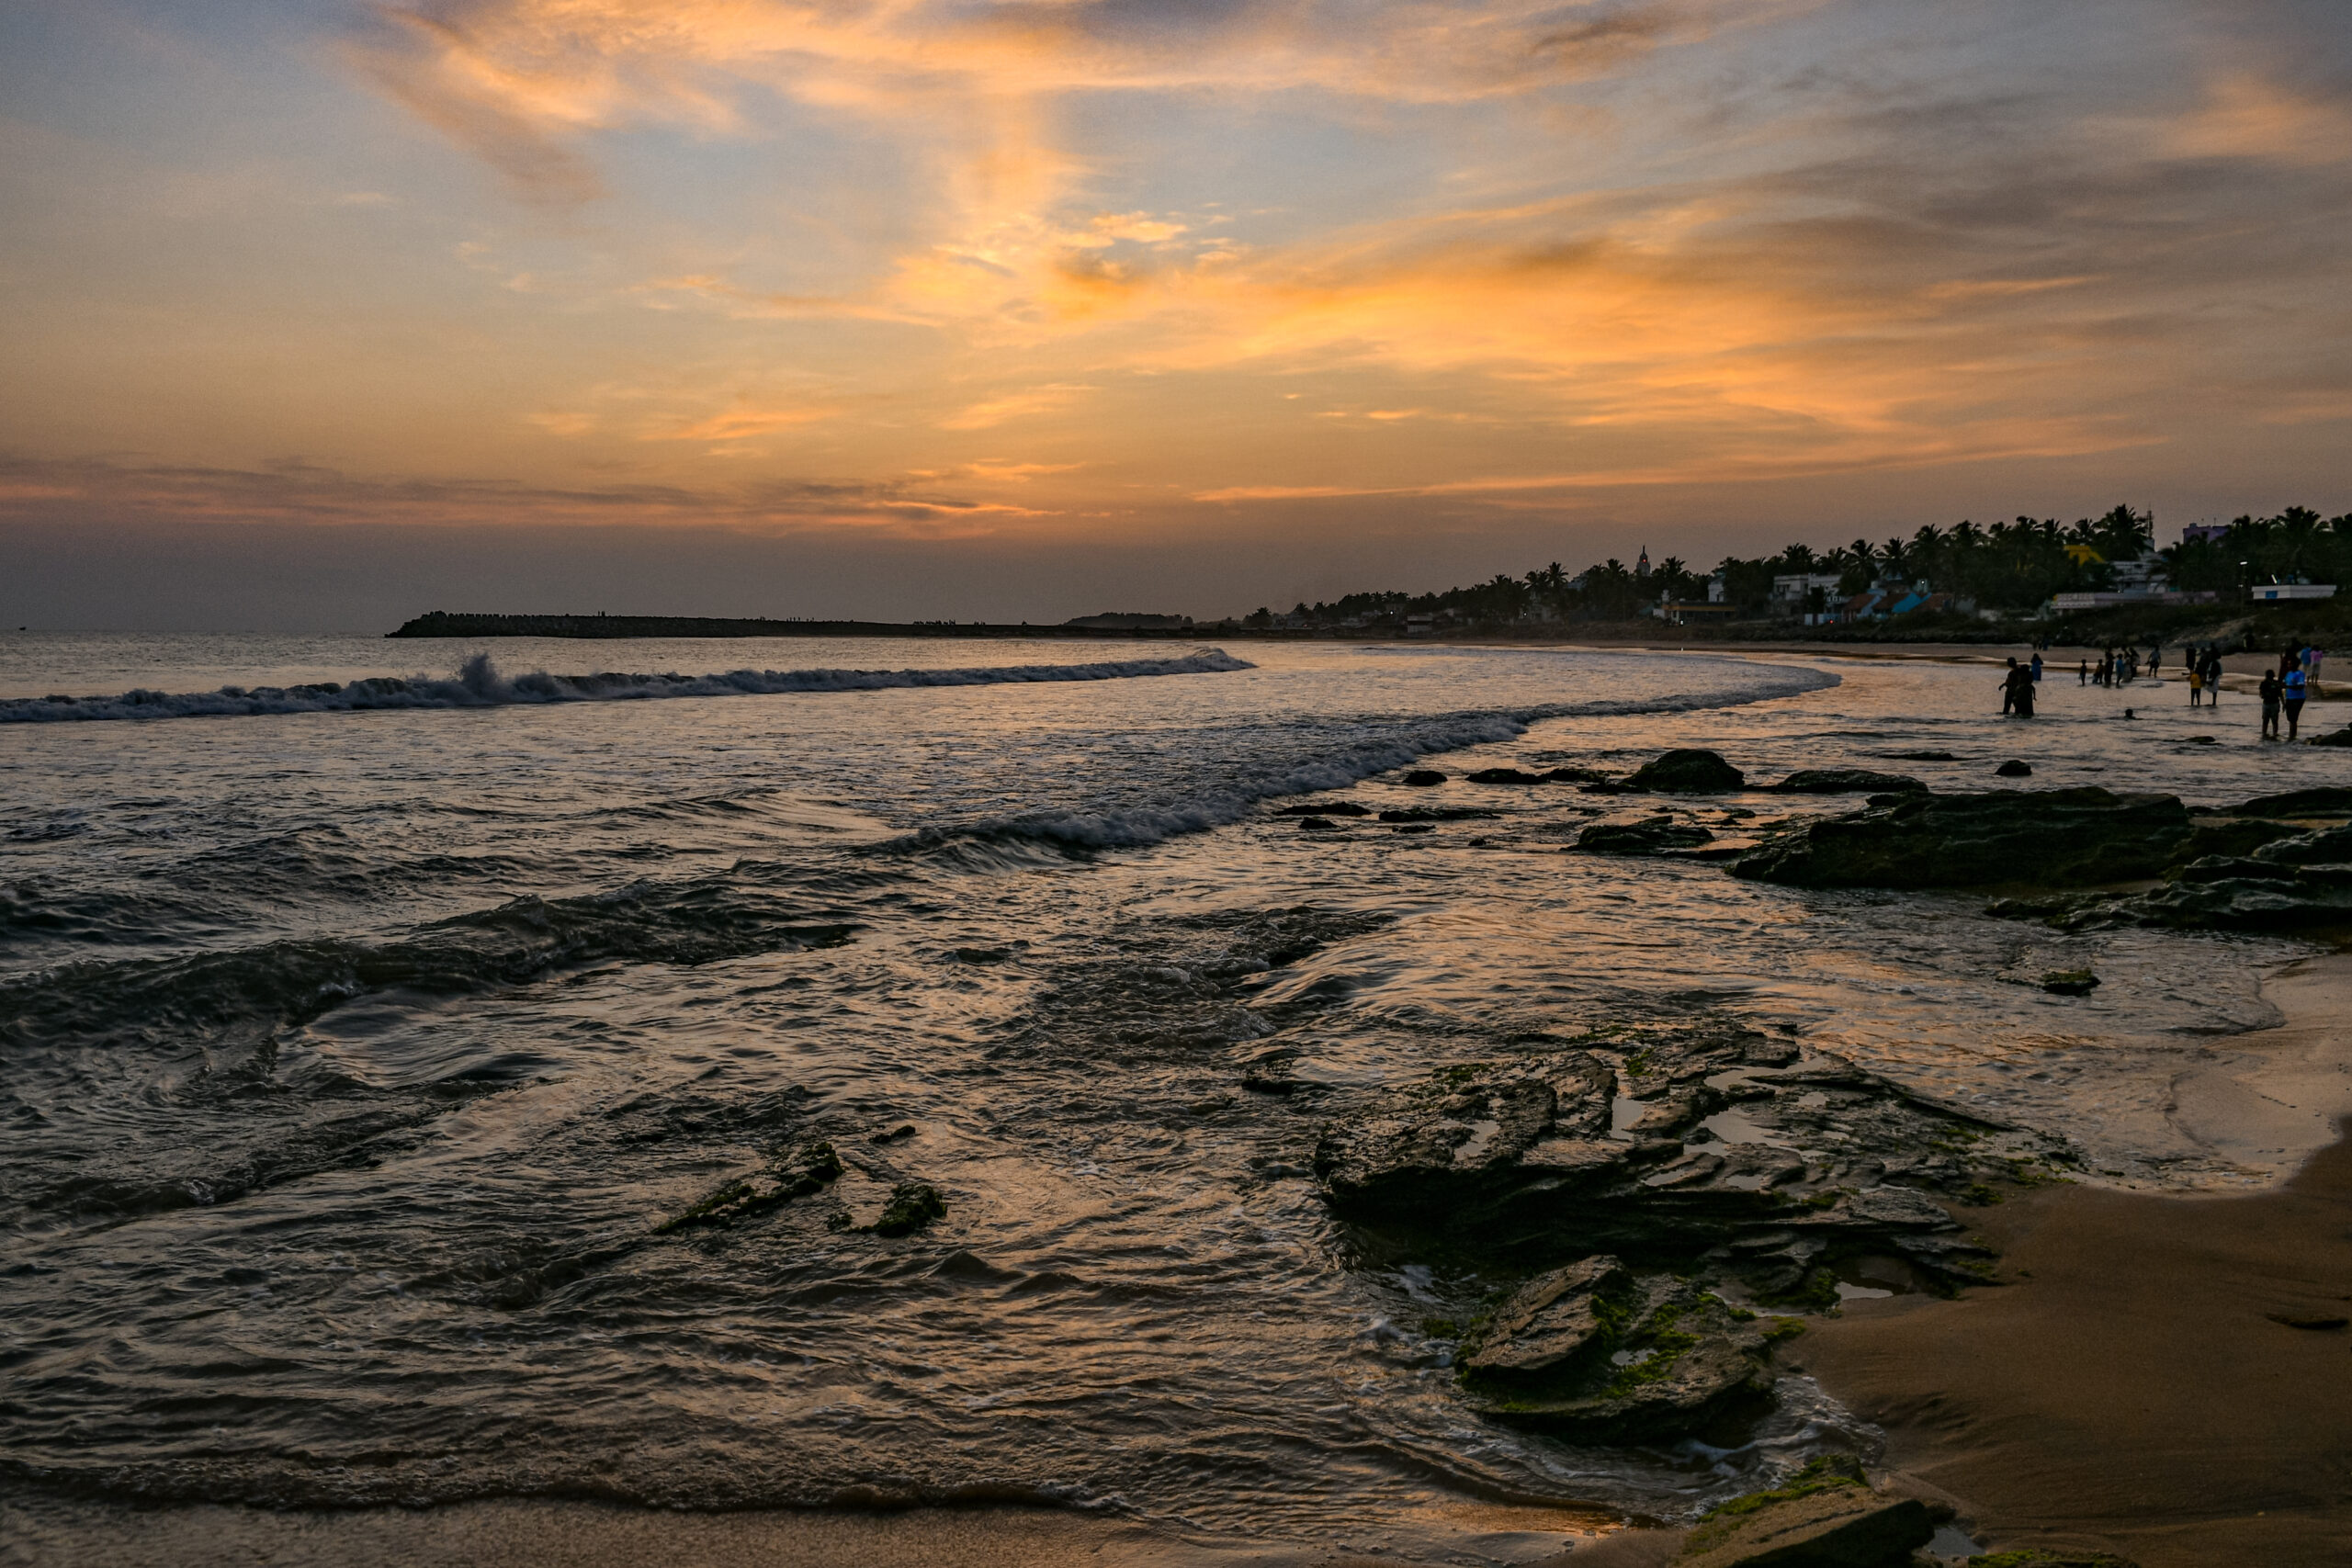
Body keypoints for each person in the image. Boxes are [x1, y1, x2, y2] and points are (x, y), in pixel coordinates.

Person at [2284, 659, 2308, 739]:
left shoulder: (2300, 674)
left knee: (2293, 718)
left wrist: (2288, 687)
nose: (2288, 666)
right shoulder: (2288, 674)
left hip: (2298, 698)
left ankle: (2292, 736)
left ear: (2295, 665)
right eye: (2288, 664)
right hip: (2289, 698)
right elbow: (2285, 683)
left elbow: (2301, 686)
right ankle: (2291, 736)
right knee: (2290, 718)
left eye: (2290, 664)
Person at [2260, 670, 2283, 739]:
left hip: (2270, 703)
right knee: (2271, 720)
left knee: (2268, 721)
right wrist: (2283, 703)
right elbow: (2261, 694)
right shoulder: (2265, 683)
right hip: (2270, 703)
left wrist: (2284, 703)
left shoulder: (2274, 683)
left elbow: (2280, 694)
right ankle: (2273, 734)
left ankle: (2266, 734)